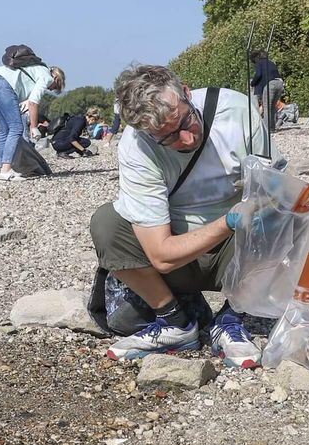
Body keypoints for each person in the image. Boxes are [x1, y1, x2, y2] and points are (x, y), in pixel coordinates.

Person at [89, 64, 283, 367]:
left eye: (185, 122)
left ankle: (232, 318)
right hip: (179, 256)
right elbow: (162, 256)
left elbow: (271, 192)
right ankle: (175, 323)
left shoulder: (237, 112)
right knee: (107, 223)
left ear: (187, 94)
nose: (187, 140)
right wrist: (227, 221)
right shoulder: (137, 146)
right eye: (168, 138)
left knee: (284, 215)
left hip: (239, 256)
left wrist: (265, 200)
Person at [0, 60, 65, 181]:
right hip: (4, 85)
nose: (51, 89)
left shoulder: (36, 68)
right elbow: (33, 102)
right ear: (56, 78)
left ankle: (0, 168)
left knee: (3, 129)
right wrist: (33, 127)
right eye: (55, 87)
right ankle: (6, 170)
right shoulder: (47, 77)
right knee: (16, 128)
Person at [249, 50, 284, 132]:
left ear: (256, 58)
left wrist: (252, 83)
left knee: (267, 107)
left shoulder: (260, 63)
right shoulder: (271, 62)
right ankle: (272, 127)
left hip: (270, 85)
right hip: (280, 83)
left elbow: (258, 75)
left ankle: (266, 129)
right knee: (272, 107)